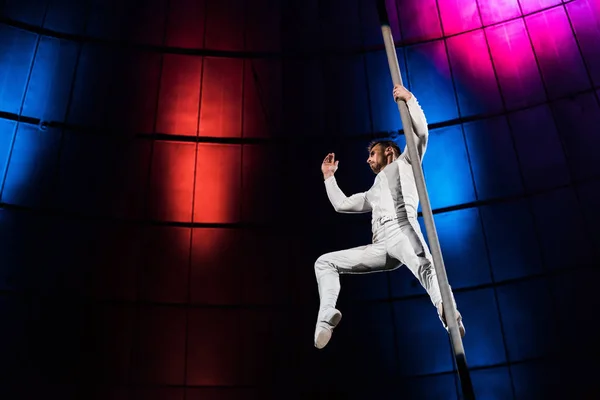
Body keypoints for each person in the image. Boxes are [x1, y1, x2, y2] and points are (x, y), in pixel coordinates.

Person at [313, 84, 465, 350]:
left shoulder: (406, 162)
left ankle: (449, 314)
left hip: (401, 228)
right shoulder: (373, 191)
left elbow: (420, 133)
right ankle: (326, 316)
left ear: (389, 152)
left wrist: (409, 99)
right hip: (380, 245)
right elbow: (341, 205)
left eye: (372, 154)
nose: (368, 160)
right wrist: (329, 177)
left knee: (427, 268)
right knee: (324, 262)